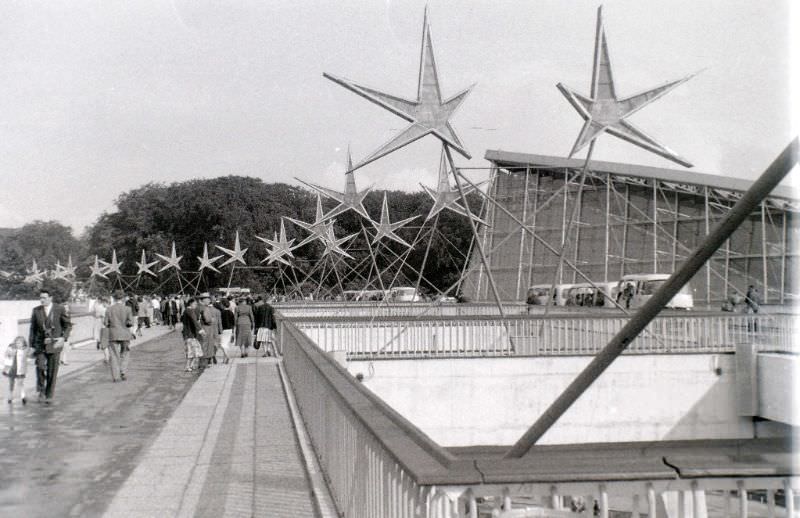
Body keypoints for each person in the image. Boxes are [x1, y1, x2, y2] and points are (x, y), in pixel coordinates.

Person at [28, 289, 72, 404]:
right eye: (40, 298)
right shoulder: (36, 310)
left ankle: (49, 394)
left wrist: (63, 338)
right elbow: (32, 329)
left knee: (52, 370)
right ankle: (41, 391)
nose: (42, 300)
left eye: (44, 298)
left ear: (50, 298)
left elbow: (68, 325)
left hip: (55, 344)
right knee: (40, 367)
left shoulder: (59, 309)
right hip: (40, 344)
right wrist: (31, 345)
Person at [104, 290, 135, 382]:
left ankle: (115, 376)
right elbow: (131, 322)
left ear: (114, 298)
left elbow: (105, 323)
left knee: (113, 355)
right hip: (125, 334)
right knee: (125, 353)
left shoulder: (109, 309)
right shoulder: (127, 309)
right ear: (123, 298)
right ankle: (123, 371)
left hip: (113, 334)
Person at [3, 336, 29, 405]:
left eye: (20, 343)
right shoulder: (12, 349)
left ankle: (23, 396)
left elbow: (30, 354)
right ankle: (10, 396)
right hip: (12, 369)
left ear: (23, 344)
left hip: (20, 370)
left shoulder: (24, 350)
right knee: (11, 383)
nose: (18, 344)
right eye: (17, 343)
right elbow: (6, 354)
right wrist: (9, 352)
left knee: (20, 383)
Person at [181, 298, 204, 372]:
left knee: (193, 350)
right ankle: (188, 366)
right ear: (190, 304)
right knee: (192, 350)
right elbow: (194, 320)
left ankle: (191, 365)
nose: (196, 305)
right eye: (195, 304)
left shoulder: (186, 310)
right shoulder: (190, 310)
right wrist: (200, 329)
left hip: (188, 333)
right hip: (190, 334)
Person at [197, 293, 218, 370]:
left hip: (201, 328)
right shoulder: (205, 308)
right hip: (207, 329)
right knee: (206, 345)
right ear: (203, 300)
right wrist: (212, 319)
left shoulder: (198, 307)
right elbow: (208, 320)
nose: (209, 300)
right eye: (208, 299)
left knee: (202, 345)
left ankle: (201, 363)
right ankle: (204, 363)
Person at [93, 296, 110, 364]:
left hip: (104, 328)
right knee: (109, 343)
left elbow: (97, 316)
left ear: (105, 302)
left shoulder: (103, 310)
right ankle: (109, 357)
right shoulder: (111, 309)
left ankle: (107, 358)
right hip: (111, 328)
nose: (103, 304)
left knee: (104, 344)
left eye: (103, 303)